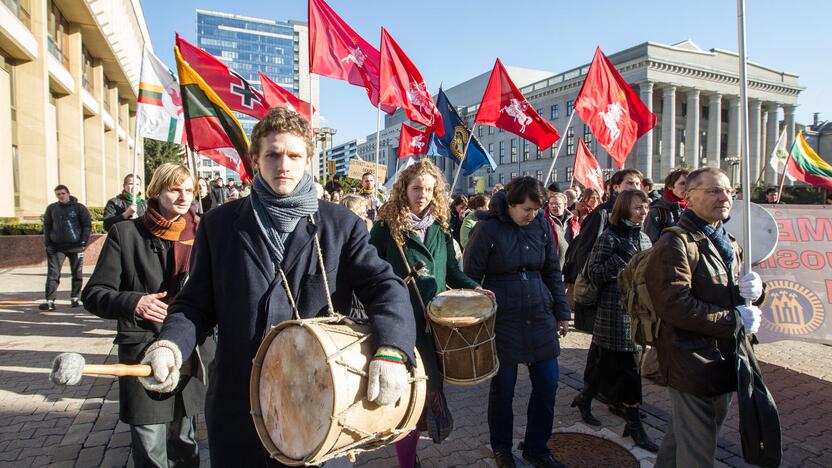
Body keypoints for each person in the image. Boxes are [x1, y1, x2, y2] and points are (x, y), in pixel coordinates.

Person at [138, 108, 416, 467]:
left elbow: (385, 286)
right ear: (255, 159)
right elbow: (194, 305)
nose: (283, 164)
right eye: (272, 154)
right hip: (240, 406)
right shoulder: (220, 224)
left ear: (308, 160)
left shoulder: (340, 224)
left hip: (320, 404)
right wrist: (171, 345)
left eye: (294, 155)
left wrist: (392, 349)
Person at [82, 163, 211, 467]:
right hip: (141, 351)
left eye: (188, 190)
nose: (183, 196)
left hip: (188, 349)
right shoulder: (125, 234)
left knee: (184, 440)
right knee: (149, 443)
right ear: (156, 191)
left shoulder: (203, 232)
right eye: (174, 189)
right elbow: (94, 295)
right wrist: (133, 302)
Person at [369, 159, 493, 468]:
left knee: (426, 395)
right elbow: (368, 271)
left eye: (428, 188)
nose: (422, 194)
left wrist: (475, 288)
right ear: (404, 190)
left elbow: (451, 270)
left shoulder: (440, 225)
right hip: (400, 323)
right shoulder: (386, 227)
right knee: (405, 398)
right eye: (415, 188)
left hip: (434, 324)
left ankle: (414, 452)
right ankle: (407, 463)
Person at [647, 167, 764, 467]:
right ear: (689, 197)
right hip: (692, 362)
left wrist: (758, 291)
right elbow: (674, 305)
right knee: (698, 452)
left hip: (723, 359)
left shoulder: (727, 239)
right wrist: (734, 319)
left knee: (683, 438)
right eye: (714, 190)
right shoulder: (674, 243)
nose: (724, 197)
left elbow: (732, 291)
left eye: (728, 191)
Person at [464, 177, 570, 468]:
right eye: (526, 209)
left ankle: (537, 447)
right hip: (504, 321)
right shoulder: (487, 229)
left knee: (548, 385)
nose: (531, 215)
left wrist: (562, 312)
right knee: (504, 391)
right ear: (510, 204)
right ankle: (502, 448)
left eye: (536, 209)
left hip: (539, 315)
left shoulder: (542, 226)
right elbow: (469, 276)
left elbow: (552, 271)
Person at [572, 189, 658, 452]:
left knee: (605, 362)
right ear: (623, 209)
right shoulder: (609, 237)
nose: (643, 212)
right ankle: (634, 424)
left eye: (645, 207)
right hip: (614, 312)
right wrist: (623, 258)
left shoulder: (644, 237)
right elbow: (594, 273)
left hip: (636, 311)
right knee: (629, 367)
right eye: (637, 207)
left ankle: (585, 398)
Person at [564, 169, 642, 332]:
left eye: (637, 183)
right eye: (629, 183)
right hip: (605, 290)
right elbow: (585, 252)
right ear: (616, 187)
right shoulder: (602, 213)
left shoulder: (638, 213)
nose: (634, 187)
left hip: (630, 289)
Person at [41, 185, 92, 311]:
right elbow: (47, 226)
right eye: (58, 194)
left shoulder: (79, 208)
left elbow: (87, 225)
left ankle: (75, 297)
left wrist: (83, 242)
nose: (61, 196)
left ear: (68, 193)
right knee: (53, 273)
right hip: (57, 247)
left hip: (76, 246)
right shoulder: (52, 208)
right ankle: (50, 301)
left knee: (77, 273)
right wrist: (48, 243)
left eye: (63, 193)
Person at [644, 168, 689, 243]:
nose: (687, 187)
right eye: (682, 184)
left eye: (689, 184)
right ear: (670, 186)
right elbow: (650, 243)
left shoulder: (693, 208)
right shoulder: (658, 212)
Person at [543, 192, 573, 267]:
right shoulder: (544, 222)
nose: (554, 206)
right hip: (552, 268)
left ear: (565, 205)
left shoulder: (573, 221)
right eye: (551, 203)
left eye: (557, 204)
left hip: (570, 268)